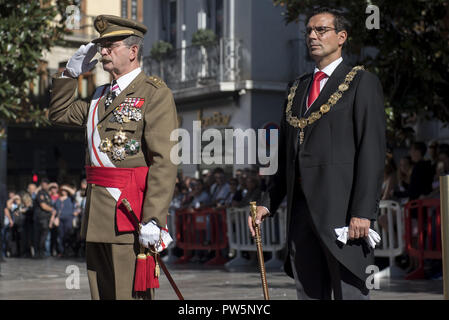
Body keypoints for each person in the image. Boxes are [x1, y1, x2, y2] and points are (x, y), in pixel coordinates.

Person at [249, 7, 386, 300]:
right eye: (309, 31)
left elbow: (371, 152)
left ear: (341, 37)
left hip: (343, 213)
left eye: (321, 30)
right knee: (308, 292)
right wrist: (267, 203)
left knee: (348, 292)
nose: (312, 36)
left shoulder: (361, 83)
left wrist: (363, 212)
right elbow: (285, 155)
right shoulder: (296, 88)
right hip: (301, 213)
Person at [49, 15, 178, 300]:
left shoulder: (154, 94)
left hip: (129, 217)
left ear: (133, 51)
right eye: (101, 45)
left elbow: (164, 162)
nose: (103, 51)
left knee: (127, 295)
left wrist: (154, 219)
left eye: (111, 44)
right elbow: (58, 113)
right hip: (97, 216)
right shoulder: (98, 97)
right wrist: (70, 74)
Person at [33, 179, 57, 259]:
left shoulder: (47, 194)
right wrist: (52, 209)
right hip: (41, 218)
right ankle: (39, 253)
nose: (45, 185)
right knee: (40, 236)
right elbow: (43, 205)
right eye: (44, 184)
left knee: (43, 236)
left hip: (46, 218)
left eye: (47, 184)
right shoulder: (41, 193)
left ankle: (41, 252)